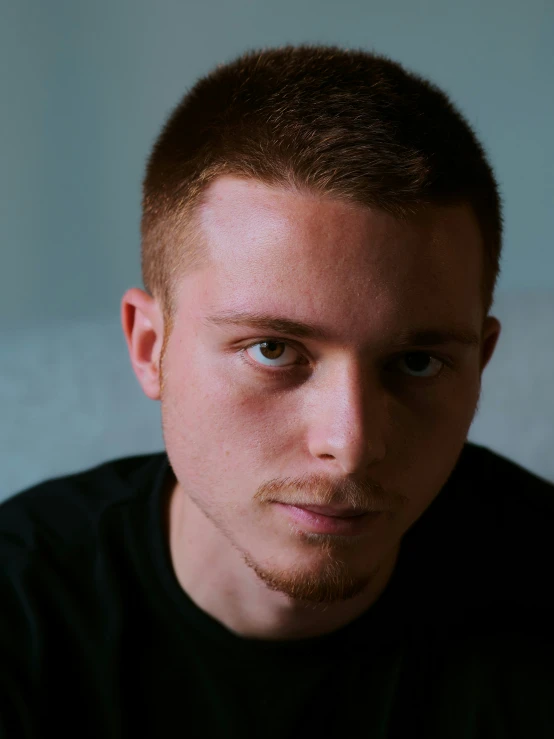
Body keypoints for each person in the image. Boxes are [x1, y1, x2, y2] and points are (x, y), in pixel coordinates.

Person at [1, 44, 553, 739]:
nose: (349, 446)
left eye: (415, 362)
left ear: (482, 362)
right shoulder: (20, 612)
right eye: (273, 350)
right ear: (150, 347)